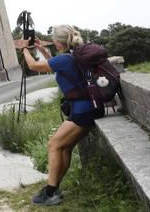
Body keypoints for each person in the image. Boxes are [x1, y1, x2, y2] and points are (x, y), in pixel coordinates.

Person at [20, 24, 104, 206]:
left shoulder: (66, 59)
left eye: (54, 39)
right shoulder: (71, 57)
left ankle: (50, 193)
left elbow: (33, 66)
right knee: (63, 148)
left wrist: (24, 49)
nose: (53, 41)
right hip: (87, 108)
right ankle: (53, 188)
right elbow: (57, 67)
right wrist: (42, 50)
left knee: (54, 144)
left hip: (82, 111)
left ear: (58, 42)